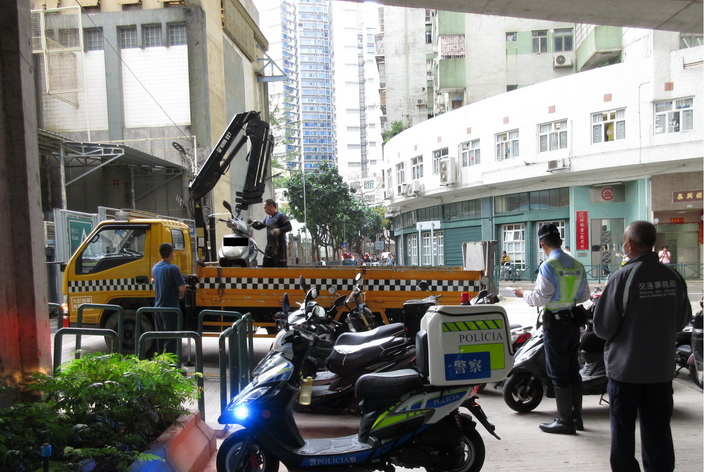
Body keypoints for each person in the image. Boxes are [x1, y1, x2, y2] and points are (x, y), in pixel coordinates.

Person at [593, 221, 690, 472]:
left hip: (626, 372)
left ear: (629, 245)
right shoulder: (674, 277)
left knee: (623, 433)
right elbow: (682, 321)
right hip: (660, 371)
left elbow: (603, 328)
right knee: (658, 431)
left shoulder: (621, 278)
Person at [513, 223, 590, 434]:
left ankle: (565, 421)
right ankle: (576, 418)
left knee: (558, 371)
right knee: (573, 370)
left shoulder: (549, 266)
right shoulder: (577, 265)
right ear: (560, 241)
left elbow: (539, 298)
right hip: (573, 324)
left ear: (542, 244)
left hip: (555, 325)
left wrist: (522, 293)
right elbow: (584, 296)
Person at [152, 242, 186, 354]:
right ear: (171, 254)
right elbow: (182, 287)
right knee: (171, 337)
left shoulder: (155, 268)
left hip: (158, 307)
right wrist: (181, 295)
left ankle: (160, 360)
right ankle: (169, 362)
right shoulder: (173, 268)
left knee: (160, 336)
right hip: (171, 307)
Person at [251, 199, 292, 267]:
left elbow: (289, 227)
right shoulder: (267, 218)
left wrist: (279, 230)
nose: (264, 210)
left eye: (265, 207)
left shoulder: (281, 216)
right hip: (269, 247)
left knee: (280, 267)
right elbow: (260, 226)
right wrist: (252, 223)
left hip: (279, 247)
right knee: (266, 266)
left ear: (271, 206)